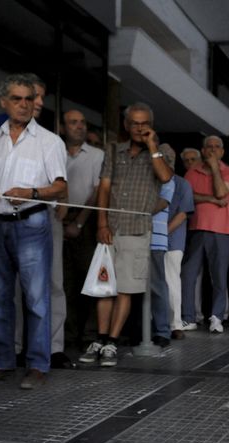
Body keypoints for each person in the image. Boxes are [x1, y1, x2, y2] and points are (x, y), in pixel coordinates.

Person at [0, 74, 68, 390]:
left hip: (32, 225)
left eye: (28, 98)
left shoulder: (50, 141)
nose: (24, 104)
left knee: (37, 299)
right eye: (17, 98)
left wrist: (32, 193)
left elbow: (61, 187)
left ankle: (38, 365)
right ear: (4, 102)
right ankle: (0, 362)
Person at [79, 102, 172, 366]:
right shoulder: (113, 150)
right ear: (126, 125)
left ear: (151, 125)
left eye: (144, 123)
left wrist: (152, 146)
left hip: (136, 230)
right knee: (104, 288)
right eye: (134, 123)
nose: (139, 128)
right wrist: (101, 223)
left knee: (125, 290)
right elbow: (104, 188)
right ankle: (99, 338)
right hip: (111, 227)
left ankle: (112, 343)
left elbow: (165, 177)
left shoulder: (163, 151)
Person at [180, 135, 229, 334]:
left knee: (219, 276)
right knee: (188, 274)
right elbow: (188, 197)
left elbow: (222, 192)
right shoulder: (192, 172)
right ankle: (188, 318)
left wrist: (215, 168)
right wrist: (211, 199)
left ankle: (216, 317)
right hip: (196, 229)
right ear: (203, 151)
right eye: (209, 147)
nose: (212, 150)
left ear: (222, 151)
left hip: (221, 231)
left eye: (217, 147)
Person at [60, 109, 104, 349]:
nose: (79, 126)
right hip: (59, 217)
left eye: (82, 122)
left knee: (89, 279)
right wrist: (61, 219)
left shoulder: (97, 155)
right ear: (63, 127)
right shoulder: (56, 153)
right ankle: (67, 334)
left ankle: (89, 334)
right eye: (73, 122)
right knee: (64, 281)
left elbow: (97, 192)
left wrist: (78, 222)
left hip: (86, 220)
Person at [149, 143, 176, 348]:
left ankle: (162, 330)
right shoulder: (147, 178)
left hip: (156, 240)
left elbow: (160, 204)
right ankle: (142, 329)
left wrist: (136, 207)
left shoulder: (169, 181)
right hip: (137, 236)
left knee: (157, 287)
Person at [165, 155, 195, 340]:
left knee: (171, 282)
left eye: (169, 158)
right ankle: (155, 323)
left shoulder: (182, 184)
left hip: (173, 240)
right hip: (150, 239)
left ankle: (175, 324)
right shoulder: (152, 181)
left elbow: (183, 214)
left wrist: (162, 233)